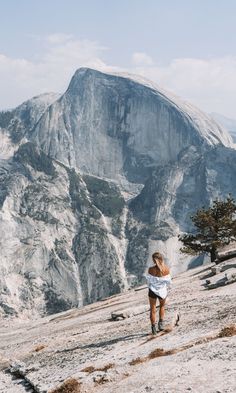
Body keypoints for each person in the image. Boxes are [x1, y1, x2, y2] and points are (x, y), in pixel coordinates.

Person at [145, 252, 171, 335]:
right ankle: (161, 325)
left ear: (154, 260)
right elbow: (168, 282)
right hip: (162, 291)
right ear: (161, 259)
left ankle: (153, 328)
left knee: (152, 309)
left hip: (152, 291)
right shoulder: (166, 269)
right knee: (162, 306)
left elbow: (149, 282)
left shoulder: (151, 269)